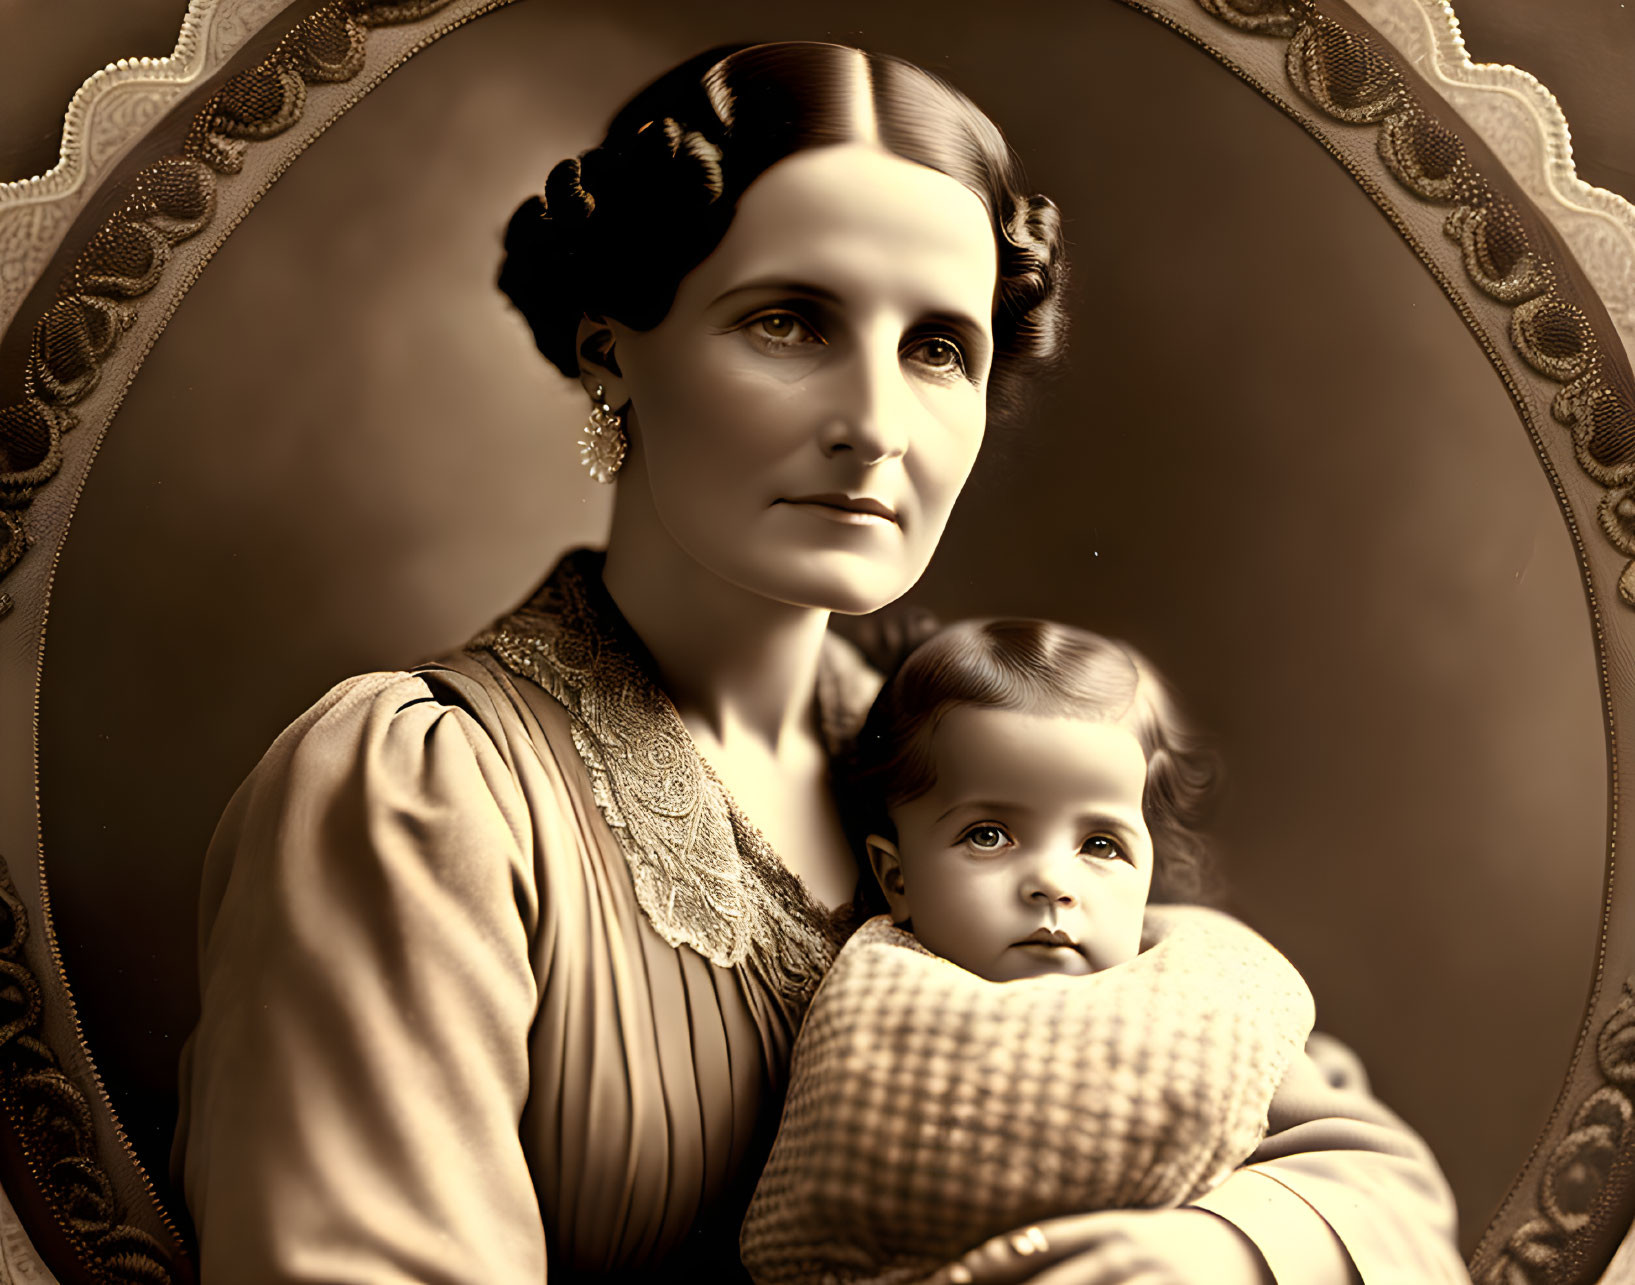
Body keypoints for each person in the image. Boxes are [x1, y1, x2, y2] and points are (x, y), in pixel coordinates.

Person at [171, 40, 1467, 1285]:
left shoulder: (971, 751)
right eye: (789, 322)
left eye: (935, 348)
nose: (876, 426)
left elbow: (1380, 1186)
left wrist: (1217, 1251)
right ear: (609, 343)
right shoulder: (421, 792)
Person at [740, 618, 1326, 1283]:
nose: (1053, 880)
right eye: (989, 835)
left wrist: (1220, 1245)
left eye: (1100, 845)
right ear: (895, 879)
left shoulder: (1200, 990)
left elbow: (1353, 1167)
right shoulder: (871, 1004)